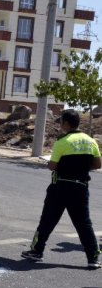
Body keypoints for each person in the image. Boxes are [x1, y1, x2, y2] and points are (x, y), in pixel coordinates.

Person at [22, 109, 101, 270]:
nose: (60, 125)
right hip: (81, 187)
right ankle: (93, 257)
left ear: (66, 123)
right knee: (84, 223)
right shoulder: (91, 141)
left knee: (47, 220)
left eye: (60, 122)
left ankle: (37, 251)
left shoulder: (62, 141)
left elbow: (52, 166)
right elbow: (98, 164)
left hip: (61, 186)